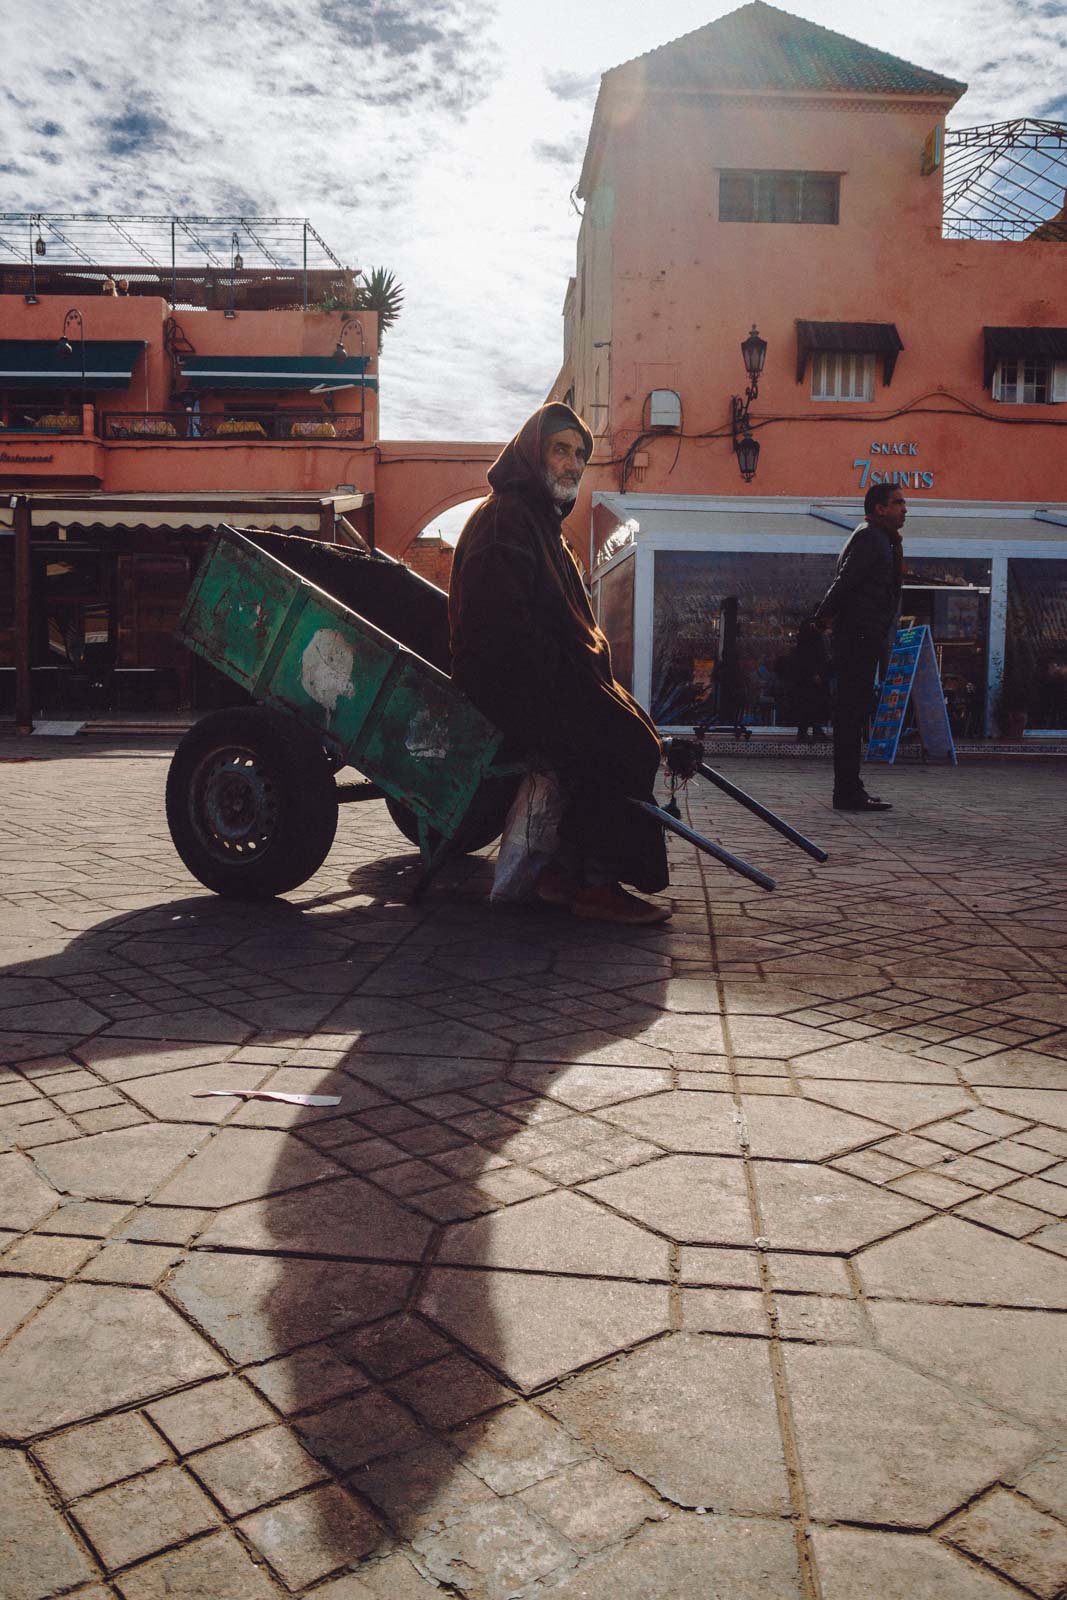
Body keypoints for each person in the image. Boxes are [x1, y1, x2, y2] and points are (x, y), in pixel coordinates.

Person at [449, 402, 670, 925]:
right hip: (508, 683)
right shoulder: (505, 518)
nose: (572, 464)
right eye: (560, 450)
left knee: (632, 727)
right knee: (622, 742)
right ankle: (595, 882)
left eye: (579, 454)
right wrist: (573, 682)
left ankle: (560, 872)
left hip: (539, 677)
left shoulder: (539, 525)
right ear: (532, 454)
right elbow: (502, 631)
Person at [813, 481, 906, 811]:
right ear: (880, 508)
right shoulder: (871, 538)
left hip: (862, 637)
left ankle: (850, 787)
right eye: (898, 503)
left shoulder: (877, 538)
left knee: (852, 716)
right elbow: (846, 581)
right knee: (850, 716)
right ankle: (848, 791)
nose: (904, 509)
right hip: (858, 639)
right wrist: (821, 615)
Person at [793, 617, 831, 741]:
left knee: (813, 703)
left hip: (813, 675)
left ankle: (814, 730)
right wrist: (814, 672)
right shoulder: (810, 633)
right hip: (811, 676)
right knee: (810, 703)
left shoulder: (812, 632)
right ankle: (807, 731)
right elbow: (809, 654)